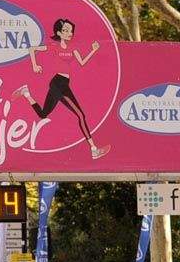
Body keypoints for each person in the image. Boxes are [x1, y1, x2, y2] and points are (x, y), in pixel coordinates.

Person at [13, 18, 110, 159]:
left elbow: (82, 62)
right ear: (59, 32)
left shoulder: (73, 48)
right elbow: (32, 49)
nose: (69, 33)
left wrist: (93, 51)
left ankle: (26, 93)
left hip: (63, 83)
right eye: (65, 30)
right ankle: (94, 149)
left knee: (43, 114)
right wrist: (35, 65)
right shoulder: (54, 46)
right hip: (58, 83)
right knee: (81, 115)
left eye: (70, 30)